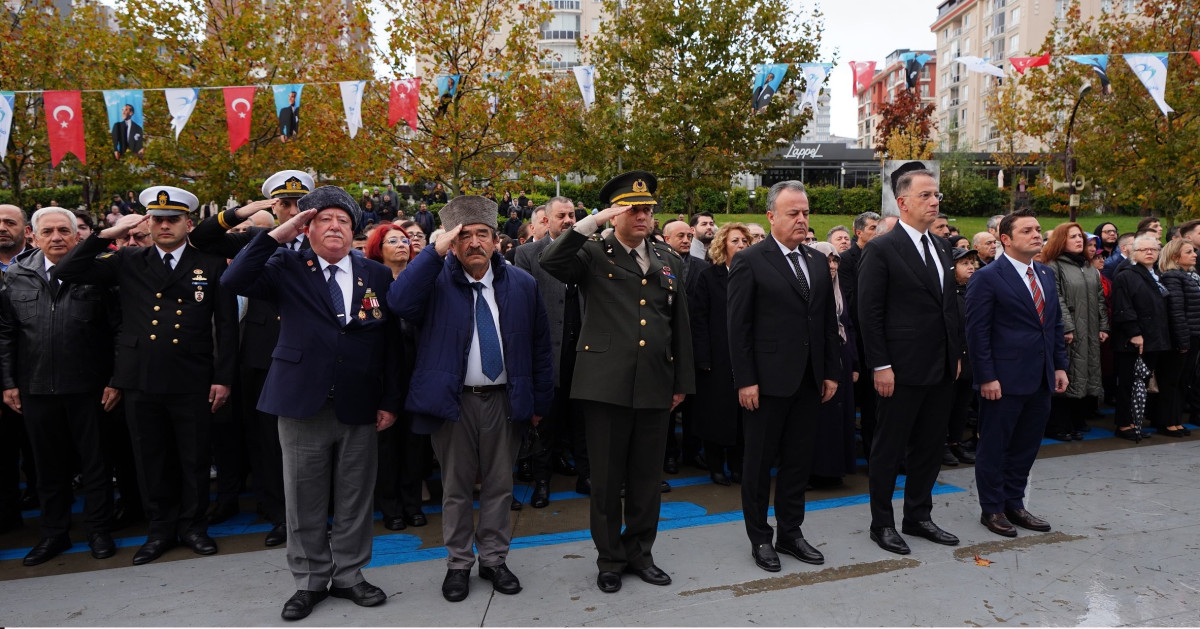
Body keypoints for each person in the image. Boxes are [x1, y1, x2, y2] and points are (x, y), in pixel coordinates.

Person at [222, 186, 401, 620]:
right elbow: (233, 280)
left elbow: (390, 343)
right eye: (323, 219)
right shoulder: (285, 264)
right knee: (303, 498)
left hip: (359, 402)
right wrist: (279, 234)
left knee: (356, 497)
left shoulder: (373, 274)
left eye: (343, 220)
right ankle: (309, 580)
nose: (334, 226)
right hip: (302, 400)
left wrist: (390, 400)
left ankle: (350, 575)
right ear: (307, 227)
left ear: (354, 230)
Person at [53, 186, 238, 565]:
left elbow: (227, 327)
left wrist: (224, 377)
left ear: (189, 223)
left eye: (173, 219)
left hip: (192, 375)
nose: (165, 226)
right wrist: (107, 234)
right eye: (157, 219)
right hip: (141, 376)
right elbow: (67, 271)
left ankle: (193, 526)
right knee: (151, 457)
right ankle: (160, 530)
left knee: (194, 457)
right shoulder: (128, 260)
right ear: (147, 223)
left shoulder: (210, 262)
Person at [391, 195, 553, 602]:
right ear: (452, 243)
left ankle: (494, 559)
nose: (475, 243)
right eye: (465, 237)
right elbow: (399, 303)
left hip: (504, 401)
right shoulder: (434, 281)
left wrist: (538, 405)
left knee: (500, 486)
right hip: (452, 403)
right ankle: (458, 563)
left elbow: (540, 347)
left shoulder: (522, 284)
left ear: (497, 240)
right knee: (457, 488)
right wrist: (434, 251)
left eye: (483, 234)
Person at [539, 170, 695, 593]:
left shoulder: (668, 259)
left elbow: (678, 324)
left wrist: (681, 381)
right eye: (634, 209)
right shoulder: (593, 252)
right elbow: (550, 261)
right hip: (605, 384)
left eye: (648, 209)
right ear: (616, 212)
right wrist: (594, 221)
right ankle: (609, 558)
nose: (643, 215)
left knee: (646, 479)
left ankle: (640, 553)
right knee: (607, 481)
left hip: (655, 383)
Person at [188, 170, 315, 547]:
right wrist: (244, 212)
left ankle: (315, 511)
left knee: (314, 438)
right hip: (263, 353)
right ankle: (278, 514)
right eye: (285, 204)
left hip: (312, 354)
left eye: (299, 203)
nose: (293, 210)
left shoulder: (323, 238)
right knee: (266, 441)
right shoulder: (259, 240)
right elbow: (201, 237)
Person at [727, 180, 840, 572]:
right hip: (765, 382)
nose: (802, 219)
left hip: (809, 381)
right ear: (771, 216)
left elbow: (826, 321)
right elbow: (737, 326)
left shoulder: (815, 261)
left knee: (797, 461)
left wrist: (829, 372)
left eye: (806, 212)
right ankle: (760, 537)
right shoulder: (750, 260)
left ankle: (791, 532)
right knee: (758, 465)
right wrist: (745, 379)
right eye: (793, 213)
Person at [0, 207, 120, 565]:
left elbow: (118, 329)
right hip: (36, 389)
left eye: (64, 230)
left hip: (90, 388)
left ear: (77, 235)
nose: (57, 237)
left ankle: (99, 530)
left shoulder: (99, 271)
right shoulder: (16, 276)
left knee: (96, 464)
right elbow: (6, 332)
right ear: (32, 237)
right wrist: (7, 381)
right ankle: (54, 534)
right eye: (48, 231)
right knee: (48, 468)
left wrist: (115, 380)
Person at [857, 162, 961, 556]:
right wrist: (880, 365)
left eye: (936, 195)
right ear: (902, 202)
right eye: (925, 195)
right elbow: (869, 312)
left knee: (930, 446)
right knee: (889, 447)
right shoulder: (882, 248)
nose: (934, 201)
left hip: (939, 366)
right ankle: (881, 522)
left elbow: (946, 307)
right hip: (898, 369)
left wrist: (955, 355)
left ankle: (918, 515)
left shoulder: (940, 245)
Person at [965, 209, 1069, 537]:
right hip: (1002, 379)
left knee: (1026, 445)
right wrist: (986, 376)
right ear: (1006, 239)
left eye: (1038, 229)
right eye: (1027, 230)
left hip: (1040, 376)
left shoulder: (1046, 275)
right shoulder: (987, 277)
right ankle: (992, 509)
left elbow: (1052, 325)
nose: (1037, 234)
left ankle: (1015, 503)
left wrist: (1059, 365)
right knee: (995, 446)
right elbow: (977, 332)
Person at [513, 197, 587, 506]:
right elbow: (523, 303)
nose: (569, 220)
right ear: (547, 220)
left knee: (584, 422)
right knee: (545, 423)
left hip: (584, 353)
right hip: (548, 354)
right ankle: (542, 484)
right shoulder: (527, 253)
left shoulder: (590, 253)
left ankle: (587, 477)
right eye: (562, 216)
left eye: (572, 215)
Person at [690, 223, 751, 486]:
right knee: (716, 414)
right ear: (722, 245)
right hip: (716, 358)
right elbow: (699, 320)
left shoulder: (753, 275)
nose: (741, 245)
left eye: (745, 241)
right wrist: (703, 358)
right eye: (735, 241)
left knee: (742, 415)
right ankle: (716, 466)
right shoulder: (708, 276)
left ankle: (738, 466)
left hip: (745, 356)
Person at [1041, 223, 1109, 442]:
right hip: (1070, 331)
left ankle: (1077, 419)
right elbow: (1056, 298)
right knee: (1067, 375)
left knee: (1085, 373)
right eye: (1073, 237)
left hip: (1089, 330)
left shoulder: (1088, 267)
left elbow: (1099, 298)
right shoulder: (1054, 266)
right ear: (1061, 240)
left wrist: (1102, 326)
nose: (1079, 240)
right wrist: (1067, 327)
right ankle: (1058, 424)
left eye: (1080, 236)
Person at [807, 240, 858, 489]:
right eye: (826, 259)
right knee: (820, 420)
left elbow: (848, 326)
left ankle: (836, 469)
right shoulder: (810, 291)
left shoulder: (839, 292)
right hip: (819, 363)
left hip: (842, 361)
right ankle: (816, 472)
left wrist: (854, 362)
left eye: (835, 259)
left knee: (841, 417)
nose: (832, 265)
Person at [659, 218, 707, 474]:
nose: (687, 240)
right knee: (669, 405)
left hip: (695, 345)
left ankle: (692, 450)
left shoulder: (702, 266)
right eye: (680, 236)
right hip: (666, 346)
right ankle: (668, 454)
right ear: (666, 239)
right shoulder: (658, 265)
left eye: (689, 236)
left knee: (694, 406)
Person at [1110, 234, 1170, 441]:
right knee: (1128, 383)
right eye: (1144, 250)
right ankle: (1124, 424)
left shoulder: (1156, 274)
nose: (1149, 253)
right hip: (1133, 340)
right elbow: (1123, 307)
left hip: (1154, 338)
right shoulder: (1126, 275)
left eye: (1153, 249)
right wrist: (1134, 333)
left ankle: (1135, 421)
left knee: (1141, 383)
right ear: (1133, 253)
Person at [1155, 238, 1199, 437]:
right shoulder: (1172, 277)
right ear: (1175, 257)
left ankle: (1176, 420)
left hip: (1192, 335)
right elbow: (1176, 311)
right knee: (1171, 380)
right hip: (1181, 337)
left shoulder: (1188, 275)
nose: (1194, 255)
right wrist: (1182, 340)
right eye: (1189, 252)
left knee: (1183, 381)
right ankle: (1167, 422)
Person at [945, 248, 979, 466]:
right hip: (952, 359)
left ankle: (956, 443)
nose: (970, 267)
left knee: (962, 405)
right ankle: (942, 445)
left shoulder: (973, 291)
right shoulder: (946, 294)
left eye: (972, 263)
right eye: (964, 263)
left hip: (971, 358)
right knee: (946, 404)